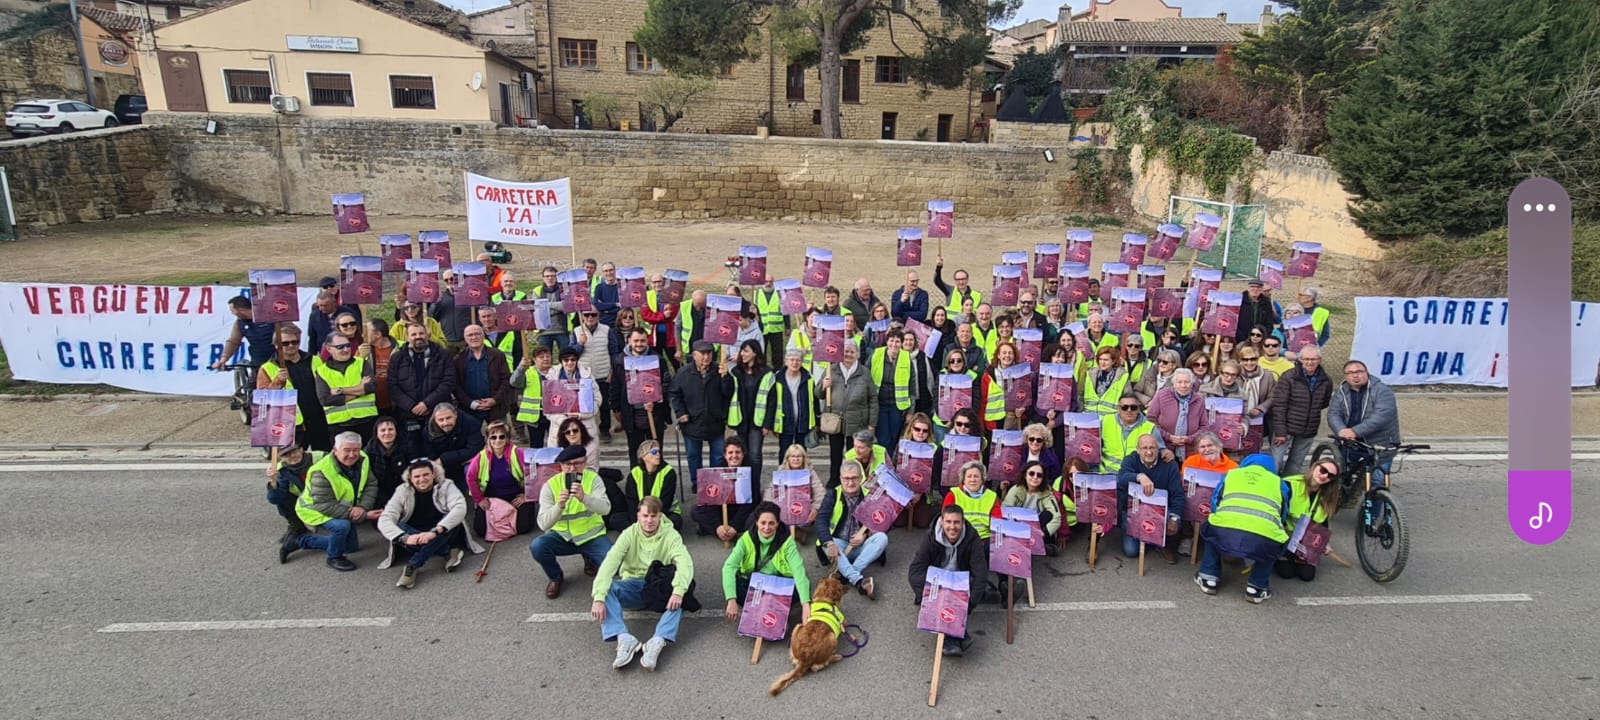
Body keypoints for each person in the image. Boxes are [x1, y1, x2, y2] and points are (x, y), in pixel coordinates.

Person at [591, 496, 693, 671]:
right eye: (645, 516)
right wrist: (598, 598)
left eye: (654, 516)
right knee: (606, 588)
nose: (649, 520)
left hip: (658, 590)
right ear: (638, 515)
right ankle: (624, 638)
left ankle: (657, 640)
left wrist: (678, 591)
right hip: (633, 586)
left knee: (685, 592)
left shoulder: (671, 535)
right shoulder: (629, 534)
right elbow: (610, 563)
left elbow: (685, 563)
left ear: (660, 516)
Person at [1195, 453, 1292, 604]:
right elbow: (1283, 514)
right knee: (1275, 540)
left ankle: (1209, 578)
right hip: (1263, 534)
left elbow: (1215, 502)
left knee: (1211, 531)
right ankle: (1256, 588)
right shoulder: (1279, 482)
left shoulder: (1232, 475)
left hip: (1225, 528)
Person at [281, 432, 378, 571]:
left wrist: (362, 507)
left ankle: (298, 541)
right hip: (314, 509)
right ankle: (334, 557)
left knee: (351, 547)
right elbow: (324, 505)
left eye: (356, 450)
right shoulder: (321, 471)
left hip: (342, 507)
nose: (352, 455)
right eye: (347, 450)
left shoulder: (363, 458)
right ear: (335, 450)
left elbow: (371, 484)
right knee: (342, 526)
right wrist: (364, 515)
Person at [531, 444, 614, 599]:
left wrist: (585, 498)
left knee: (613, 565)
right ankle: (556, 578)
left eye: (577, 463)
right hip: (563, 537)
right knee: (538, 546)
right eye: (567, 464)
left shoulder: (593, 479)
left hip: (591, 536)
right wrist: (559, 506)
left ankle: (589, 558)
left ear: (584, 463)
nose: (572, 469)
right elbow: (543, 524)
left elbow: (606, 509)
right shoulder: (551, 485)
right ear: (561, 466)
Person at [908, 505, 992, 656]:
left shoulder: (973, 539)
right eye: (948, 522)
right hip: (937, 581)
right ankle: (957, 637)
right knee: (943, 598)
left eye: (956, 522)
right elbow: (914, 572)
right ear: (941, 522)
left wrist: (969, 606)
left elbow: (980, 573)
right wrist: (928, 599)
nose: (952, 527)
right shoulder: (930, 538)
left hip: (961, 580)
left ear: (963, 522)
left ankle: (952, 640)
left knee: (978, 584)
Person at [377, 459, 474, 588]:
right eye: (417, 476)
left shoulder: (447, 485)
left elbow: (460, 507)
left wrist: (435, 532)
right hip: (415, 535)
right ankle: (447, 551)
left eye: (425, 475)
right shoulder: (402, 490)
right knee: (399, 527)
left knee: (453, 520)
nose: (422, 479)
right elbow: (385, 518)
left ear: (433, 474)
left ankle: (413, 564)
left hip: (441, 530)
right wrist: (405, 538)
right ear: (410, 478)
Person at [723, 502, 813, 623]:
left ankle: (765, 610)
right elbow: (729, 567)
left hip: (779, 582)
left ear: (777, 523)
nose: (766, 527)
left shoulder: (787, 541)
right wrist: (731, 599)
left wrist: (806, 604)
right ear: (756, 523)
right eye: (763, 523)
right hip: (753, 582)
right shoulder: (745, 539)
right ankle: (772, 610)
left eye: (771, 523)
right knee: (734, 586)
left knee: (802, 587)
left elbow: (798, 571)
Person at [814, 459, 884, 600]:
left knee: (882, 538)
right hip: (838, 546)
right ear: (840, 478)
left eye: (854, 478)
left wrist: (865, 534)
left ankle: (844, 574)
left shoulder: (870, 494)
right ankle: (858, 581)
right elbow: (820, 520)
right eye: (846, 478)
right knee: (825, 542)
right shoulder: (833, 494)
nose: (850, 483)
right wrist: (829, 543)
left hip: (860, 547)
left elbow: (880, 521)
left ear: (860, 478)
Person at [256, 323, 331, 451]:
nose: (291, 346)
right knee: (292, 463)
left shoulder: (315, 360)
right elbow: (263, 400)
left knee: (323, 459)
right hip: (292, 424)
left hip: (320, 420)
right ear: (276, 346)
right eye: (285, 343)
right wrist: (277, 382)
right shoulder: (267, 368)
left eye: (294, 342)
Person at [1327, 360, 1400, 487]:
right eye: (1350, 373)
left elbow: (1381, 417)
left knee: (1377, 483)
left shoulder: (1382, 391)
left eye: (1359, 371)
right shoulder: (1341, 392)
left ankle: (1373, 506)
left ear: (1367, 373)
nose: (1355, 375)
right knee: (1344, 478)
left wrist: (1355, 431)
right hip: (1350, 443)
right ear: (1346, 376)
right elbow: (1334, 413)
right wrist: (1341, 430)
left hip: (1378, 445)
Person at [669, 340, 731, 488]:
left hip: (715, 421)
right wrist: (680, 412)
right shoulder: (683, 373)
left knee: (717, 456)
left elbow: (728, 393)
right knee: (693, 455)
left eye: (709, 353)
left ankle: (715, 483)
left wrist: (726, 378)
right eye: (702, 354)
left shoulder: (719, 370)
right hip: (691, 422)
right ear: (694, 355)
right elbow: (674, 394)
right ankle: (698, 483)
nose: (706, 357)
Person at [389, 322, 457, 456]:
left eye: (421, 333)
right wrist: (411, 405)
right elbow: (392, 386)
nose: (418, 337)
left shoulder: (442, 354)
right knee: (413, 450)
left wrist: (427, 403)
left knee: (439, 448)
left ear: (427, 335)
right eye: (413, 334)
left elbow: (448, 382)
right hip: (408, 413)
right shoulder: (397, 358)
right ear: (407, 337)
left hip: (436, 412)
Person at [1117, 434, 1184, 563]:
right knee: (1131, 551)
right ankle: (1148, 537)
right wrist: (1139, 476)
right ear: (1137, 449)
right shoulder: (1130, 459)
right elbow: (1122, 478)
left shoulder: (1170, 465)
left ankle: (1162, 543)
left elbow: (1178, 495)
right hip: (1134, 510)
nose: (1149, 452)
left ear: (1158, 449)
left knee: (1173, 522)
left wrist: (1174, 518)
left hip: (1160, 511)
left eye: (1152, 448)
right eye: (1144, 448)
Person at [465, 420, 537, 537]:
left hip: (515, 496)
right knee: (480, 530)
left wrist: (527, 496)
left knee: (524, 528)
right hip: (492, 498)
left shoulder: (517, 453)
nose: (497, 440)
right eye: (493, 437)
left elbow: (533, 474)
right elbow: (470, 478)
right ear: (488, 439)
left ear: (507, 438)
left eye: (501, 437)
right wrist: (479, 499)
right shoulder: (481, 457)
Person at [1268, 345, 1333, 475]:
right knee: (1275, 462)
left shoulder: (1326, 380)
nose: (1310, 362)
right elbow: (1279, 405)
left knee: (1296, 464)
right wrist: (1280, 431)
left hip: (1309, 429)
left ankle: (1289, 489)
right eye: (1306, 359)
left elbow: (1324, 403)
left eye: (1313, 359)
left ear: (1319, 360)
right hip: (1286, 429)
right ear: (1300, 359)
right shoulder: (1288, 377)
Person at [614, 327, 671, 467]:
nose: (639, 344)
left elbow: (666, 384)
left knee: (655, 451)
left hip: (654, 413)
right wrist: (615, 408)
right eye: (636, 341)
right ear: (629, 341)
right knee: (635, 452)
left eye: (642, 341)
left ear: (647, 341)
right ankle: (637, 481)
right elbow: (615, 386)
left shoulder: (657, 359)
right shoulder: (620, 361)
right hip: (631, 414)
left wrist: (656, 400)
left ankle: (656, 481)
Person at [1277, 456, 1340, 582]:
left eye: (1330, 476)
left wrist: (1324, 543)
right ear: (1315, 466)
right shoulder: (1290, 484)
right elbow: (1276, 512)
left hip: (1306, 541)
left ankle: (1298, 557)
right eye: (1323, 470)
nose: (1324, 476)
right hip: (1284, 536)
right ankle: (1279, 555)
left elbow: (1323, 522)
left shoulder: (1327, 495)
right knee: (1286, 573)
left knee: (1307, 576)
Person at [822, 342, 875, 486]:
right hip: (836, 421)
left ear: (857, 354)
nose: (848, 354)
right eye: (845, 351)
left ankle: (854, 481)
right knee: (835, 454)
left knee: (855, 454)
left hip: (857, 422)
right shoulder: (831, 369)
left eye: (852, 352)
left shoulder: (864, 372)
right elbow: (818, 394)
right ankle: (834, 481)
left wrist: (872, 423)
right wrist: (823, 386)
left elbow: (873, 398)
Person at [313, 335, 378, 445]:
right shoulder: (321, 371)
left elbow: (371, 387)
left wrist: (340, 390)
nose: (346, 350)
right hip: (339, 425)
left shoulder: (361, 363)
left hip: (367, 420)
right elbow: (325, 399)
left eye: (348, 346)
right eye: (340, 347)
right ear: (329, 349)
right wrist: (359, 390)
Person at [691, 439, 756, 541]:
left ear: (743, 455)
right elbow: (710, 501)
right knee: (696, 510)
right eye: (730, 452)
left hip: (742, 511)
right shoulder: (717, 471)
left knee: (758, 515)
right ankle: (721, 532)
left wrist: (735, 525)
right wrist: (718, 527)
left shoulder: (751, 471)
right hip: (721, 512)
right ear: (725, 455)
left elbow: (752, 501)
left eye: (737, 452)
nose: (734, 456)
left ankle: (722, 531)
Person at [759, 348, 820, 456]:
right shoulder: (777, 379)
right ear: (786, 362)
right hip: (784, 422)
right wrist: (768, 424)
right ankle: (783, 472)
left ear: (801, 362)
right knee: (784, 452)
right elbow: (772, 403)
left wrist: (817, 422)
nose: (795, 363)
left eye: (798, 360)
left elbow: (814, 401)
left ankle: (801, 472)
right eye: (791, 360)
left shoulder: (808, 378)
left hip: (803, 422)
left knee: (801, 452)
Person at [726, 339, 770, 482]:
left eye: (746, 351)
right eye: (742, 351)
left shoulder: (766, 373)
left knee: (755, 454)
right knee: (741, 454)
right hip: (741, 420)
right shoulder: (736, 371)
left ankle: (755, 484)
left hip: (758, 421)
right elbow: (727, 392)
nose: (742, 354)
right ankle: (743, 483)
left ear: (755, 353)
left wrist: (767, 424)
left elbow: (772, 400)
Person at [1002, 460, 1065, 555]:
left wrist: (1042, 534)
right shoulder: (1016, 489)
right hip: (1018, 525)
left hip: (1037, 528)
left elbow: (1057, 517)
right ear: (1025, 475)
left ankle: (1033, 544)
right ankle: (1039, 548)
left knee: (1048, 514)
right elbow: (1005, 510)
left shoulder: (1047, 494)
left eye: (1039, 475)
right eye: (1031, 474)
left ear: (1043, 478)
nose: (1035, 477)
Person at [573, 309, 616, 443]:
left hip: (603, 373)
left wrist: (612, 371)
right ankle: (583, 431)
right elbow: (571, 354)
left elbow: (614, 352)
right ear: (582, 316)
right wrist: (580, 344)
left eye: (593, 314)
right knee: (583, 405)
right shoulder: (576, 331)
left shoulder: (607, 330)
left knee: (604, 404)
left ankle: (604, 430)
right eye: (587, 314)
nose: (590, 317)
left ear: (599, 316)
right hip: (584, 376)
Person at [544, 347, 599, 452]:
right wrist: (564, 420)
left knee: (588, 462)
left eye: (573, 360)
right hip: (560, 426)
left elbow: (597, 399)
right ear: (561, 361)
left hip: (584, 423)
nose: (569, 363)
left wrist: (580, 415)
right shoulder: (551, 377)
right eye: (566, 360)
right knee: (560, 463)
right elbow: (548, 407)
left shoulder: (587, 376)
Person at [454, 325, 512, 423]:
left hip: (496, 409)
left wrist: (495, 400)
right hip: (469, 411)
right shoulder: (458, 359)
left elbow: (506, 380)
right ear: (465, 338)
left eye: (477, 334)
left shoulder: (497, 355)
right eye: (470, 335)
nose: (474, 337)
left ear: (483, 336)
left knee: (500, 437)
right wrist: (470, 403)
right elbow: (455, 385)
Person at [765, 443, 827, 534]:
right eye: (793, 456)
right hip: (785, 509)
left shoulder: (809, 471)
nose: (796, 459)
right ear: (788, 458)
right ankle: (794, 532)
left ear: (803, 458)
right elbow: (770, 491)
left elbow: (820, 491)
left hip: (804, 510)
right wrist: (770, 509)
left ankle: (794, 531)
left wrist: (815, 508)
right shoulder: (781, 471)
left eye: (799, 456)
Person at [421, 402, 484, 491]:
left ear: (455, 415)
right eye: (441, 420)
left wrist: (444, 458)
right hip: (443, 466)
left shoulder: (470, 423)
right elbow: (431, 456)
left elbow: (474, 448)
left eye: (448, 418)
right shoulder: (429, 431)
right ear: (435, 419)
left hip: (465, 461)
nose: (445, 423)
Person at [1100, 393, 1169, 474]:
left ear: (1138, 409)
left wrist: (1166, 452)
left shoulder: (1150, 428)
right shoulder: (1105, 421)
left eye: (1133, 407)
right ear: (1118, 409)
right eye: (1125, 407)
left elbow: (1161, 452)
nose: (1129, 410)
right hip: (1107, 475)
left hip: (1135, 477)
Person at [621, 439, 682, 530]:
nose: (658, 454)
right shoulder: (634, 473)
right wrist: (639, 520)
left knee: (676, 521)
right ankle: (645, 530)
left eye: (659, 452)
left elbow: (666, 502)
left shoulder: (668, 472)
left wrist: (652, 519)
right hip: (642, 514)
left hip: (663, 513)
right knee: (615, 519)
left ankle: (641, 531)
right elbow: (631, 501)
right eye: (654, 452)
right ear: (643, 456)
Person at [1147, 368, 1204, 460]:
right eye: (1179, 382)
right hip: (1164, 447)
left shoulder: (1199, 400)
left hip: (1190, 451)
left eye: (1186, 382)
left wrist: (1189, 439)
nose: (1183, 385)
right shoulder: (1161, 395)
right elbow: (1150, 420)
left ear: (1192, 384)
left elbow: (1204, 427)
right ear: (1174, 384)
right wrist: (1168, 437)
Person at [870, 331, 914, 448]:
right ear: (887, 341)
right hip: (879, 404)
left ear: (901, 343)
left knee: (894, 438)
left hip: (898, 406)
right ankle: (886, 465)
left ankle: (890, 464)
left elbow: (912, 386)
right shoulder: (876, 355)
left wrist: (910, 412)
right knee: (884, 439)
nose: (894, 344)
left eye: (897, 341)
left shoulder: (906, 358)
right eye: (891, 340)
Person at [264, 443, 313, 542]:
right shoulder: (280, 469)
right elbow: (275, 499)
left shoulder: (320, 457)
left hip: (327, 497)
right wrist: (273, 482)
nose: (292, 456)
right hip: (304, 500)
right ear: (281, 457)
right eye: (286, 455)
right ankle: (297, 525)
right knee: (282, 499)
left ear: (301, 449)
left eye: (294, 451)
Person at [942, 461, 1002, 540]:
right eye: (969, 476)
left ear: (982, 479)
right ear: (963, 479)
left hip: (984, 538)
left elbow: (997, 523)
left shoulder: (991, 496)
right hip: (960, 537)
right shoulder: (953, 494)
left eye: (976, 476)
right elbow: (946, 520)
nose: (972, 479)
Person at [213, 295, 277, 370]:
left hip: (278, 359)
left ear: (240, 309)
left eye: (233, 311)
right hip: (258, 362)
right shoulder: (239, 323)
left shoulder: (270, 316)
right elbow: (233, 341)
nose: (232, 313)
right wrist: (223, 359)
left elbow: (290, 330)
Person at [365, 416, 408, 511]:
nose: (387, 433)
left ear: (396, 432)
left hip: (404, 488)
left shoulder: (407, 446)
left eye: (390, 429)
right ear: (376, 434)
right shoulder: (368, 452)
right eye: (383, 430)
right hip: (379, 491)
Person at [359, 318, 397, 416]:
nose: (363, 335)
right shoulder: (363, 350)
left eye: (366, 332)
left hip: (396, 404)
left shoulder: (399, 348)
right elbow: (354, 374)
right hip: (372, 405)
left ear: (377, 335)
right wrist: (361, 357)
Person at [431, 268, 473, 354]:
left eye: (452, 278)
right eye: (446, 280)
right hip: (449, 341)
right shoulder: (441, 298)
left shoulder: (468, 295)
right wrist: (436, 303)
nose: (449, 281)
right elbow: (433, 317)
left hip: (466, 340)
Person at [1081, 346, 1129, 417]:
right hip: (1088, 417)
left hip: (1110, 418)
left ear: (1113, 361)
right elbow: (1080, 395)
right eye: (1100, 359)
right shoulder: (1090, 374)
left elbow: (1128, 399)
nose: (1102, 362)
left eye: (1106, 360)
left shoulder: (1122, 376)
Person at [751, 278, 788, 366]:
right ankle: (762, 370)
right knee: (761, 351)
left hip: (776, 329)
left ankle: (777, 370)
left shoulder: (780, 294)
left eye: (770, 282)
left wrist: (788, 326)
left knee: (777, 352)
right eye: (766, 281)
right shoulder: (756, 294)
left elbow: (786, 310)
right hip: (761, 328)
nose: (768, 284)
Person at [534, 266, 570, 354]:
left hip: (562, 329)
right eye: (547, 276)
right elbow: (538, 310)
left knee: (566, 355)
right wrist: (558, 307)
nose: (550, 278)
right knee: (544, 358)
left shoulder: (564, 289)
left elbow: (566, 306)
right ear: (543, 278)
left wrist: (546, 304)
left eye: (552, 276)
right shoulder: (537, 290)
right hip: (543, 331)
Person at [478, 306, 525, 371]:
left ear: (495, 317)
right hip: (486, 374)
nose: (486, 319)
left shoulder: (509, 333)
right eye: (483, 317)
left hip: (508, 372)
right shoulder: (476, 336)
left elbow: (518, 354)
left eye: (489, 316)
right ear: (479, 319)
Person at [676, 291, 709, 363]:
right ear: (692, 300)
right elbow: (677, 328)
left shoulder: (713, 307)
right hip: (691, 348)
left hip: (708, 348)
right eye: (697, 305)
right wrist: (678, 350)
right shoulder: (684, 307)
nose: (699, 308)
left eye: (702, 306)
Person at [593, 262, 622, 327]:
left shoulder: (622, 287)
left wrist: (606, 308)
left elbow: (623, 306)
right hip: (603, 323)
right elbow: (597, 305)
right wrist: (615, 304)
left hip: (619, 323)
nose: (608, 273)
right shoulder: (599, 288)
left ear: (615, 271)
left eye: (611, 270)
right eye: (606, 271)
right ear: (603, 273)